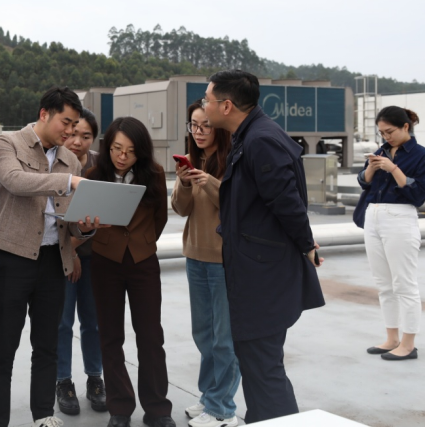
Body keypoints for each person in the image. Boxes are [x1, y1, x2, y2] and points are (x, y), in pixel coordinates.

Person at [203, 69, 324, 424]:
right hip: (257, 268)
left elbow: (287, 202)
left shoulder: (260, 140)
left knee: (263, 367)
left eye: (207, 100)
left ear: (226, 106)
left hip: (262, 274)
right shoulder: (252, 135)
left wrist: (306, 243)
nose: (204, 106)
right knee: (257, 365)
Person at [0, 86, 101, 427]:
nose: (70, 132)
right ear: (44, 114)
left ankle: (43, 414)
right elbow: (16, 181)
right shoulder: (8, 143)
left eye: (76, 125)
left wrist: (86, 227)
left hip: (53, 260)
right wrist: (69, 181)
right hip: (13, 257)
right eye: (66, 122)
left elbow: (71, 223)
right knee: (3, 347)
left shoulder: (69, 159)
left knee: (47, 345)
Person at [86, 117, 173, 427]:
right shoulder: (93, 175)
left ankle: (158, 409)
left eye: (131, 151)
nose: (122, 157)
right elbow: (84, 219)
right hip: (104, 261)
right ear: (107, 146)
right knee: (110, 337)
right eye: (116, 149)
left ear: (142, 151)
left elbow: (160, 218)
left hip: (143, 262)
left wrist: (142, 242)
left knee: (151, 337)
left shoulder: (155, 174)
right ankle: (120, 408)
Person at [171, 101, 239, 427]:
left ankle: (223, 409)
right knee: (203, 335)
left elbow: (234, 204)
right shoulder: (192, 159)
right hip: (195, 257)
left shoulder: (233, 160)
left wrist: (208, 180)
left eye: (205, 125)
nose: (198, 132)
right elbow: (181, 209)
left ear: (218, 127)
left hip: (223, 260)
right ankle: (210, 397)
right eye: (193, 125)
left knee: (224, 339)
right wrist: (185, 182)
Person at [353, 106, 425, 361]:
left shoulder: (423, 156)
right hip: (373, 216)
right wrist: (372, 167)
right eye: (382, 132)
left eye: (389, 131)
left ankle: (408, 344)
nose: (386, 137)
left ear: (405, 127)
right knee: (383, 284)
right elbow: (365, 183)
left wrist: (393, 169)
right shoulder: (381, 151)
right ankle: (391, 338)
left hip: (400, 218)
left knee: (404, 284)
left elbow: (418, 195)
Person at [56, 108, 107, 416]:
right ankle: (63, 381)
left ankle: (95, 378)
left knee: (93, 321)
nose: (77, 141)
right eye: (73, 133)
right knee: (62, 323)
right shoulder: (55, 163)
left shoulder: (100, 166)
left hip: (95, 258)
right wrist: (70, 252)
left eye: (85, 136)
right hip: (62, 257)